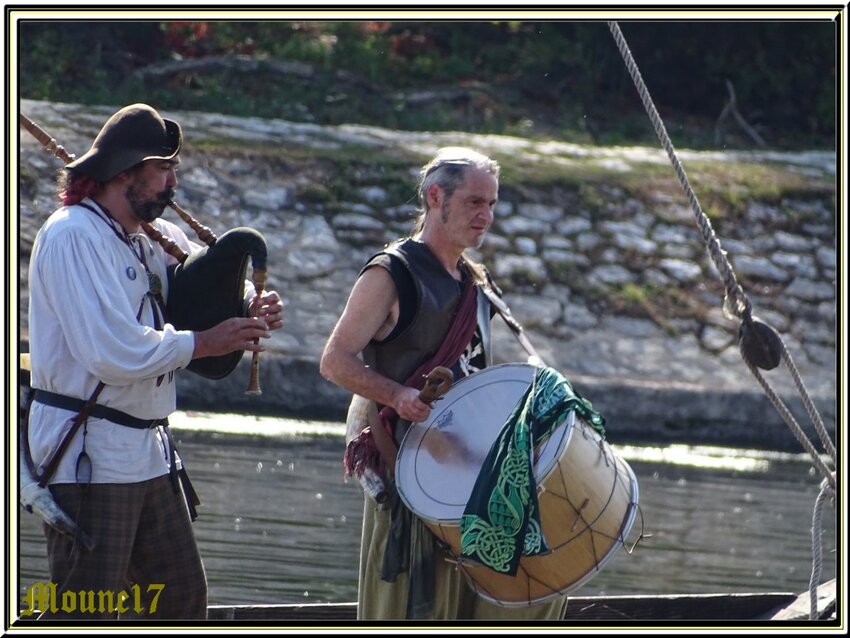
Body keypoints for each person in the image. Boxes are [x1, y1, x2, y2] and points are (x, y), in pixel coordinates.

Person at [20, 103, 284, 620]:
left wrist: (251, 306)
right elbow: (112, 352)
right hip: (87, 454)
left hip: (148, 454)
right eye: (162, 169)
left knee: (180, 603)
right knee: (85, 613)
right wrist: (204, 342)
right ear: (124, 173)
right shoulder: (73, 234)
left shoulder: (146, 238)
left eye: (173, 169)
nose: (171, 183)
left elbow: (202, 291)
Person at [319, 147, 567, 621]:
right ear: (436, 197)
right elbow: (334, 360)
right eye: (475, 202)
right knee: (412, 602)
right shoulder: (391, 273)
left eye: (491, 204)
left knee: (532, 579)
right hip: (406, 460)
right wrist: (397, 394)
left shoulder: (476, 280)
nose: (486, 216)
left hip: (466, 466)